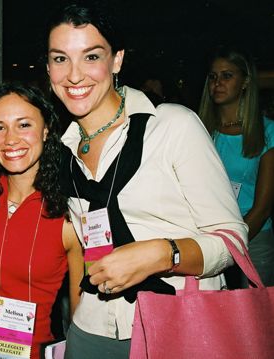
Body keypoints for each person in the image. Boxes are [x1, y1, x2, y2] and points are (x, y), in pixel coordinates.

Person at [45, 2, 248, 358]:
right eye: (60, 59)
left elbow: (232, 240)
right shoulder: (62, 151)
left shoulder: (171, 126)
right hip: (91, 329)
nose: (74, 75)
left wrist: (161, 253)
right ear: (48, 67)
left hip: (176, 325)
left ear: (117, 60)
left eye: (91, 57)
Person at [0, 82, 84, 359]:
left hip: (30, 352)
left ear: (46, 130)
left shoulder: (70, 213)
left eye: (24, 125)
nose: (10, 139)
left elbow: (80, 312)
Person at [199, 46, 274, 287]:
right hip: (207, 236)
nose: (217, 83)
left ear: (245, 82)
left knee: (254, 319)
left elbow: (262, 208)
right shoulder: (200, 131)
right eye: (213, 76)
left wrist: (230, 246)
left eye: (227, 75)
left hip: (254, 237)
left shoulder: (267, 132)